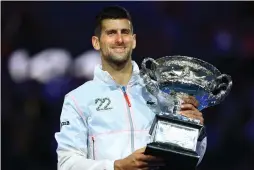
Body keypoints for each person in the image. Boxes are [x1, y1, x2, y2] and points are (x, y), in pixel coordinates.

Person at [55, 5, 207, 170]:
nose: (119, 40)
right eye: (111, 33)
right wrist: (117, 167)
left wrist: (195, 132)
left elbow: (186, 160)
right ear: (96, 42)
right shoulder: (78, 99)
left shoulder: (161, 93)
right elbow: (67, 164)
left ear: (133, 40)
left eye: (124, 32)